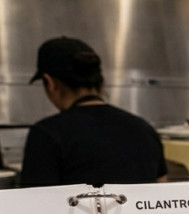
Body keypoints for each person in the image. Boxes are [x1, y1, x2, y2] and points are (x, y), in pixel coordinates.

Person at [20, 37, 167, 187]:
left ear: (50, 83)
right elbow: (161, 189)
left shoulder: (46, 134)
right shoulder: (144, 129)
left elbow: (35, 199)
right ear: (100, 81)